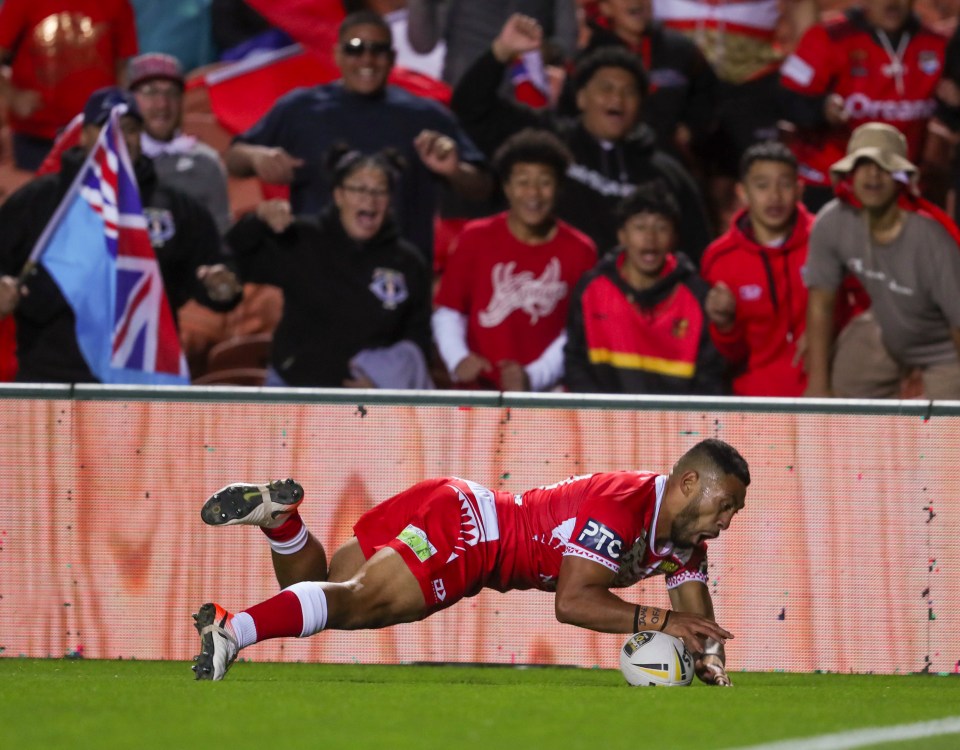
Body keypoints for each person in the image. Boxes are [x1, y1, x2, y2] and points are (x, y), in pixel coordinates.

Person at [191, 437, 749, 685]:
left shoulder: (684, 543)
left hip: (457, 503)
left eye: (734, 512)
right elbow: (573, 602)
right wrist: (659, 621)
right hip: (470, 534)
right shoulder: (625, 505)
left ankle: (282, 523)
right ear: (689, 483)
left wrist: (709, 659)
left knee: (324, 585)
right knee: (355, 604)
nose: (726, 522)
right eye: (724, 506)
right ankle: (232, 628)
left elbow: (697, 622)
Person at [0, 87, 241, 384]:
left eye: (128, 130)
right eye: (106, 129)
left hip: (140, 380)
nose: (118, 140)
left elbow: (216, 275)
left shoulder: (176, 207)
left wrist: (222, 287)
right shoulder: (40, 201)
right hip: (52, 377)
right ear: (84, 134)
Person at [223, 10, 493, 263]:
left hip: (401, 274)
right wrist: (256, 157)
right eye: (355, 48)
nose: (367, 58)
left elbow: (482, 187)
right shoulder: (299, 108)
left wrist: (454, 170)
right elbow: (234, 158)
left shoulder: (427, 116)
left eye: (378, 49)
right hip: (317, 271)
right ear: (337, 54)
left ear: (392, 58)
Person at [451, 13, 712, 263]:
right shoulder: (547, 140)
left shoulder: (668, 175)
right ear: (581, 97)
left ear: (641, 105)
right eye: (606, 88)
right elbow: (470, 106)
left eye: (628, 92)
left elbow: (696, 252)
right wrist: (501, 51)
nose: (616, 99)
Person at [225, 145, 433, 389]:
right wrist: (257, 219)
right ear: (338, 195)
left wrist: (383, 384)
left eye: (380, 191)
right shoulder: (301, 238)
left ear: (389, 202)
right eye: (359, 189)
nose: (369, 199)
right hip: (293, 389)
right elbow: (233, 257)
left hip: (369, 402)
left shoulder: (408, 262)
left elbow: (417, 338)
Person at [432, 128, 597, 391]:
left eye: (544, 182)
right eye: (523, 181)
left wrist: (533, 377)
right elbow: (449, 310)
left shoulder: (581, 250)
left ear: (559, 188)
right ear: (507, 187)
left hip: (546, 403)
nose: (533, 193)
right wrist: (458, 359)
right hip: (477, 396)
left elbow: (578, 332)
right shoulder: (475, 238)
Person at [804, 122, 960, 399]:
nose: (873, 174)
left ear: (901, 177)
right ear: (850, 173)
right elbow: (821, 303)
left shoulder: (933, 238)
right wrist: (818, 385)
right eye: (863, 164)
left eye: (884, 166)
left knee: (940, 437)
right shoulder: (832, 222)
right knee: (832, 399)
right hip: (887, 330)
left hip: (945, 352)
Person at [778, 0, 947, 213]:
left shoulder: (938, 44)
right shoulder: (828, 37)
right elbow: (785, 99)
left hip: (900, 183)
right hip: (831, 183)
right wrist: (820, 109)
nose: (892, 3)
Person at [564, 184, 727, 394]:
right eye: (640, 227)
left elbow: (709, 377)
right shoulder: (592, 289)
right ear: (622, 235)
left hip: (674, 424)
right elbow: (575, 361)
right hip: (604, 423)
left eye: (661, 227)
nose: (650, 238)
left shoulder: (698, 295)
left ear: (674, 237)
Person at [700, 141, 814, 397]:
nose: (774, 196)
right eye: (762, 186)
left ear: (799, 189)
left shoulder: (826, 240)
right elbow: (726, 356)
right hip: (753, 404)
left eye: (784, 184)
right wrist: (725, 324)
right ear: (742, 193)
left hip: (827, 396)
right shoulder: (719, 259)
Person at [560, 0, 718, 165]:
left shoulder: (681, 50)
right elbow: (567, 112)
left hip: (668, 163)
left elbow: (708, 95)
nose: (637, 2)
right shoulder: (589, 59)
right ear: (605, 8)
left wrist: (692, 129)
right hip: (603, 164)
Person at [0, 0, 139, 171]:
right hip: (35, 134)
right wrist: (14, 97)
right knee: (38, 195)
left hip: (96, 134)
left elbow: (123, 70)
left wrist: (123, 119)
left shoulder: (117, 4)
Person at [127, 53, 232, 235]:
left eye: (172, 93)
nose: (162, 104)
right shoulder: (115, 164)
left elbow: (222, 241)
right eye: (151, 92)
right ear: (131, 99)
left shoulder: (206, 164)